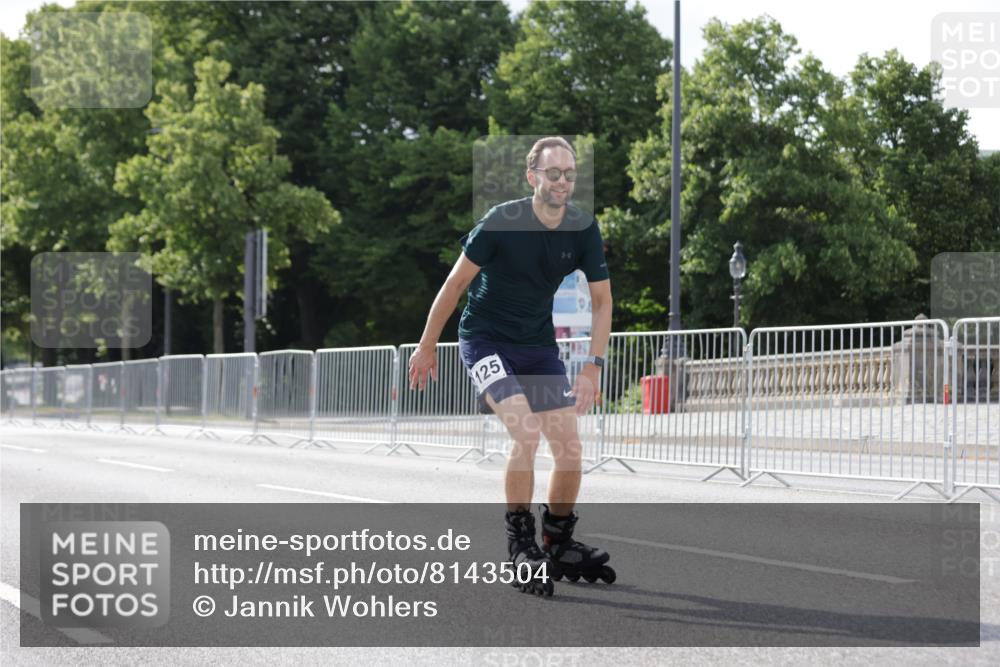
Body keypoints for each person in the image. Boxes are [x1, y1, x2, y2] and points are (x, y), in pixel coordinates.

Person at [408, 136, 615, 596]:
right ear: (532, 176)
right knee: (525, 433)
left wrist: (592, 367)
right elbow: (454, 284)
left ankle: (558, 540)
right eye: (552, 172)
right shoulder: (503, 220)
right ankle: (520, 542)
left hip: (537, 346)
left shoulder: (582, 228)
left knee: (570, 449)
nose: (562, 181)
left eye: (569, 174)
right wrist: (427, 345)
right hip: (484, 341)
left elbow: (602, 302)